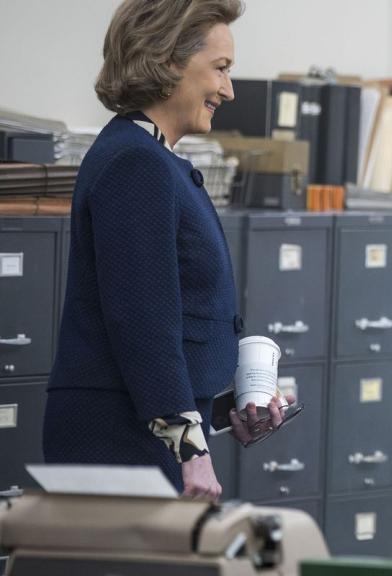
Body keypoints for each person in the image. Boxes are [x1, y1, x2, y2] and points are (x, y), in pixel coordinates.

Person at [44, 0, 286, 499]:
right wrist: (190, 449)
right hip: (120, 439)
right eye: (220, 69)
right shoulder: (137, 162)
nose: (228, 89)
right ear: (168, 59)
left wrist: (225, 404)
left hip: (142, 432)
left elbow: (177, 316)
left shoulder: (152, 157)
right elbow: (143, 321)